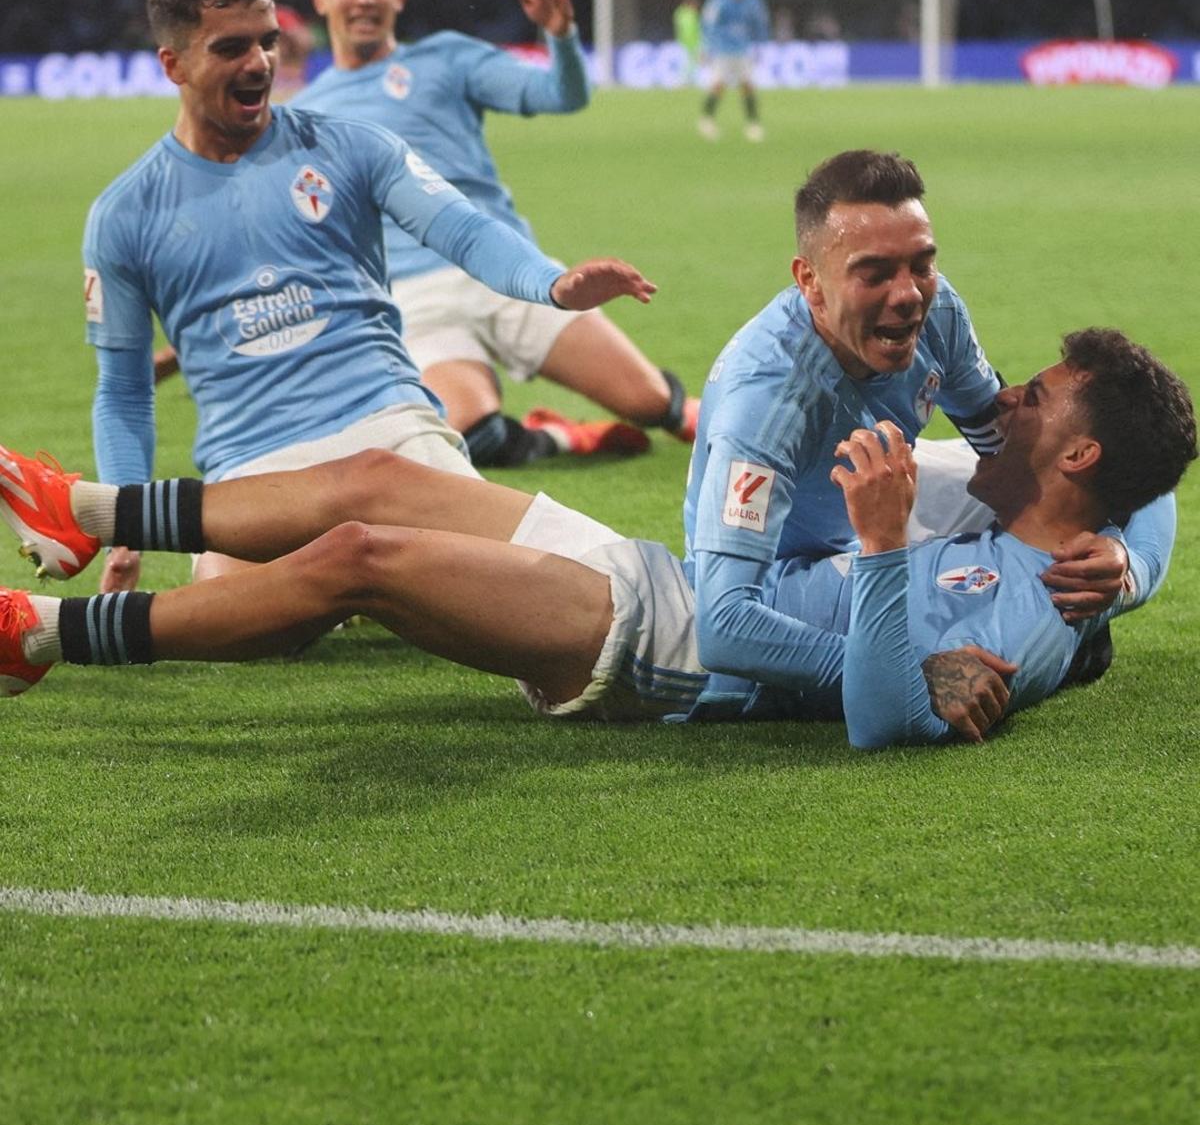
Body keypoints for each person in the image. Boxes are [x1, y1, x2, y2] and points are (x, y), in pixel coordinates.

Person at [0, 328, 1191, 748]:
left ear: (1079, 458)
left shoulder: (1049, 608)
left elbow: (887, 718)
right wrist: (1144, 546)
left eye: (1038, 397)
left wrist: (880, 549)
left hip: (662, 656)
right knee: (375, 476)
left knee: (363, 558)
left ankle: (42, 636)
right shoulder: (1041, 508)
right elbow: (1163, 482)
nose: (1008, 400)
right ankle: (84, 510)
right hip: (654, 577)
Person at [83, 0, 656, 592]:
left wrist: (550, 284)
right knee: (234, 608)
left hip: (386, 430)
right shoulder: (124, 215)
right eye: (231, 48)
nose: (260, 64)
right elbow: (124, 391)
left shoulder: (351, 145)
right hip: (252, 464)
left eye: (268, 42)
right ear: (173, 64)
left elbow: (463, 228)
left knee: (525, 583)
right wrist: (125, 531)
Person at [682, 149, 1131, 716]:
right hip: (790, 571)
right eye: (874, 274)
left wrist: (1120, 554)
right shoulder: (768, 400)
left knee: (1094, 464)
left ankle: (1076, 609)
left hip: (881, 499)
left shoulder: (937, 311)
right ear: (810, 280)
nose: (908, 295)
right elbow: (721, 625)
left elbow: (1016, 457)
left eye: (921, 264)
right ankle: (1052, 637)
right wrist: (906, 670)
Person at [290, 0, 701, 466]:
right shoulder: (306, 116)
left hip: (509, 269)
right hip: (414, 299)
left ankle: (678, 411)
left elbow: (562, 94)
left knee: (650, 403)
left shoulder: (448, 58)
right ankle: (558, 436)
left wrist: (560, 38)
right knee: (469, 434)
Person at [697, 0, 770, 143]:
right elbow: (708, 25)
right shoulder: (719, 1)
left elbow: (760, 24)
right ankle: (707, 119)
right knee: (718, 85)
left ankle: (752, 124)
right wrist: (705, 48)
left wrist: (761, 46)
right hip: (723, 50)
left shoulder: (753, 2)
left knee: (747, 85)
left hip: (743, 50)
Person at [672, 0, 703, 84]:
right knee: (688, 62)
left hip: (686, 42)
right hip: (689, 43)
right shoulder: (689, 15)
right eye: (695, 6)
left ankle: (688, 80)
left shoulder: (679, 13)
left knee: (691, 63)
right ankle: (684, 80)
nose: (696, 8)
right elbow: (691, 30)